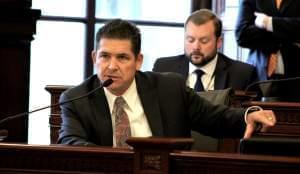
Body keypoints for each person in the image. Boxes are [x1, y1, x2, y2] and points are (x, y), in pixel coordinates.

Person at [57, 19, 276, 147]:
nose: (112, 66)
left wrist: (249, 115)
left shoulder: (169, 88)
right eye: (105, 56)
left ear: (138, 61)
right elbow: (70, 142)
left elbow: (215, 117)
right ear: (94, 58)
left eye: (122, 57)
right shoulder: (77, 99)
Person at [153, 9, 258, 92]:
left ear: (219, 42)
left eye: (204, 41)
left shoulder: (243, 75)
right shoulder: (163, 68)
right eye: (190, 40)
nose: (196, 47)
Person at [235, 0, 300, 81]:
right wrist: (286, 30)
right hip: (258, 72)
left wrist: (268, 23)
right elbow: (241, 35)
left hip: (295, 73)